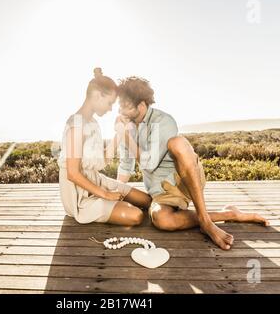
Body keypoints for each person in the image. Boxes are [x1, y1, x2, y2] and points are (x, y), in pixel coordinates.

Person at [115, 76, 269, 250]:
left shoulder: (162, 121)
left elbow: (149, 164)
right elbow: (126, 164)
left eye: (125, 107)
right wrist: (116, 193)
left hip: (185, 179)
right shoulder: (127, 126)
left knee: (177, 143)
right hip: (161, 193)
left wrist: (126, 137)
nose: (121, 112)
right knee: (162, 220)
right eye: (120, 106)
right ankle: (230, 213)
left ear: (141, 105)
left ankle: (205, 220)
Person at [57, 68, 152, 225]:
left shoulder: (93, 123)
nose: (110, 109)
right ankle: (110, 206)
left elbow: (102, 161)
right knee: (136, 216)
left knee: (147, 200)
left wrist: (120, 132)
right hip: (78, 195)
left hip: (96, 180)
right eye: (110, 103)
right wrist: (105, 195)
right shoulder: (76, 124)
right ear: (97, 95)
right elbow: (72, 173)